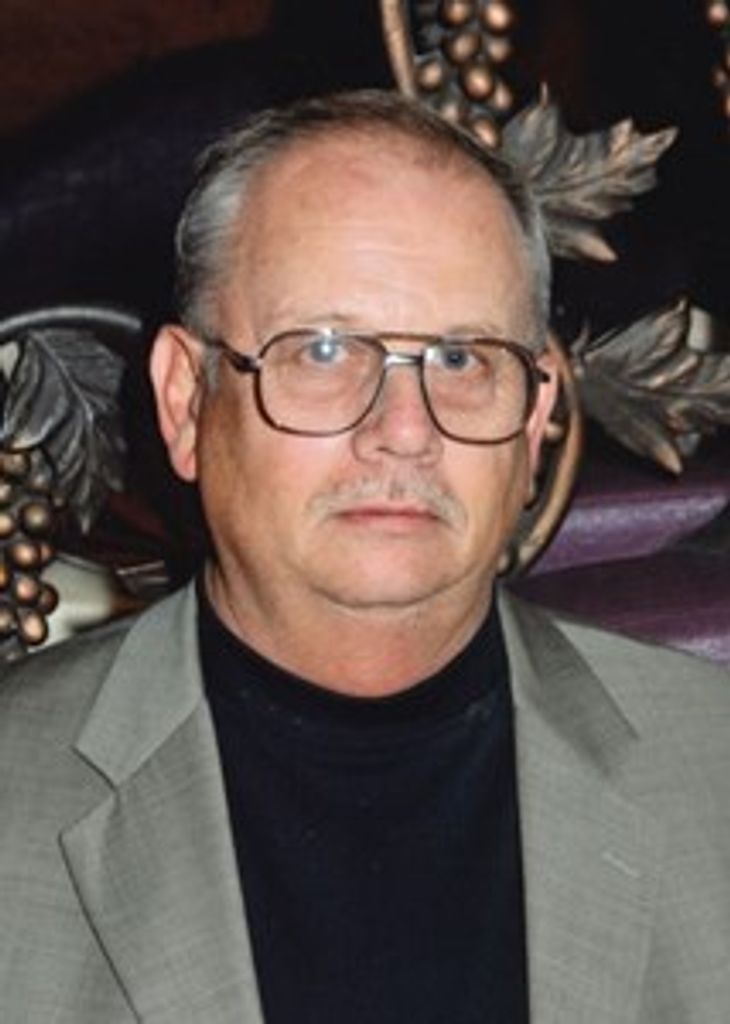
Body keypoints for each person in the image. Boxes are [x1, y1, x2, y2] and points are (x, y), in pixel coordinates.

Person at [1, 90, 728, 1024]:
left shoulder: (713, 772)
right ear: (187, 401)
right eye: (324, 350)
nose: (403, 430)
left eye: (463, 359)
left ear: (535, 417)